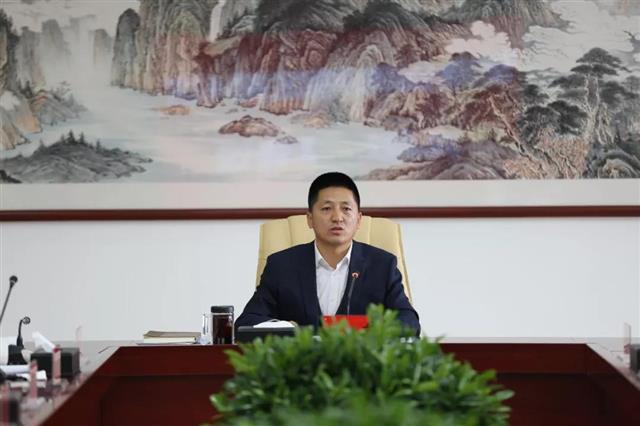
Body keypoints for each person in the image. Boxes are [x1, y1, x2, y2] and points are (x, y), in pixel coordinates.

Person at [235, 172, 420, 334]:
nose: (337, 217)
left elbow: (409, 322)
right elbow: (246, 322)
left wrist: (369, 330)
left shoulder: (382, 265)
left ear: (358, 220)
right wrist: (288, 328)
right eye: (326, 209)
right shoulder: (282, 266)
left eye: (346, 209)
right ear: (310, 219)